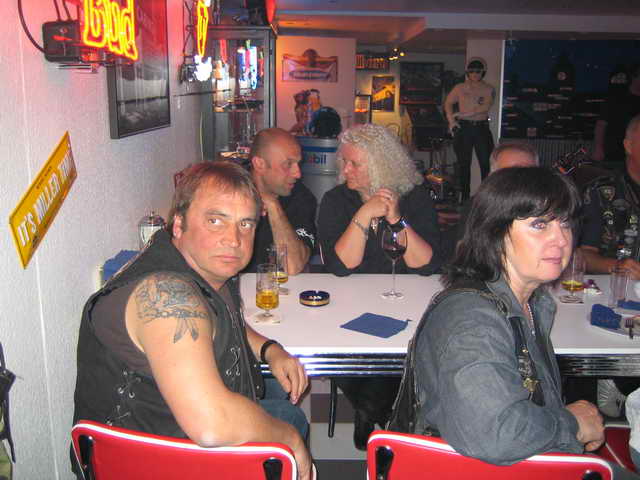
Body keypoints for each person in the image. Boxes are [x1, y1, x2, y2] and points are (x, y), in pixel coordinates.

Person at [391, 167, 637, 478]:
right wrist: (571, 424)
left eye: (564, 223)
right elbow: (494, 433)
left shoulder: (534, 301)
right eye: (539, 225)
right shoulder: (472, 320)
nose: (561, 239)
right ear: (494, 233)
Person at [73, 162, 313, 479]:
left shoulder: (207, 269)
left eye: (245, 224)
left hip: (181, 436)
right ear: (178, 224)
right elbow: (211, 423)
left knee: (288, 413)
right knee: (289, 425)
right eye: (215, 220)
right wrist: (292, 443)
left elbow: (224, 320)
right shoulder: (167, 293)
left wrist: (269, 349)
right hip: (153, 462)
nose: (233, 239)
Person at [317, 123, 442, 450]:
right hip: (349, 305)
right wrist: (364, 212)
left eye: (354, 163)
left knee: (409, 349)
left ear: (380, 164)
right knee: (353, 352)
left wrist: (396, 219)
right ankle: (384, 416)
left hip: (404, 302)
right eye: (344, 161)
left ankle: (370, 412)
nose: (345, 170)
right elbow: (341, 267)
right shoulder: (335, 200)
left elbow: (426, 265)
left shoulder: (415, 198)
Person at [580, 113, 640, 418]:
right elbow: (582, 256)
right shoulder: (603, 191)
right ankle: (616, 377)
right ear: (628, 145)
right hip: (611, 293)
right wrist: (619, 266)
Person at [244, 128, 317, 274]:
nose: (298, 173)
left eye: (298, 163)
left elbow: (293, 265)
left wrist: (272, 204)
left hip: (278, 285)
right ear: (259, 164)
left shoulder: (301, 197)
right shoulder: (230, 192)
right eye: (288, 164)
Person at [444, 57, 496, 201]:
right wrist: (451, 120)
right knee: (463, 164)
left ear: (483, 72)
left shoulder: (489, 89)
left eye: (478, 71)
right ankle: (464, 198)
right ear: (468, 72)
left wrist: (462, 114)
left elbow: (484, 107)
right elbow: (448, 102)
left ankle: (486, 198)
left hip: (481, 128)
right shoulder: (460, 87)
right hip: (464, 128)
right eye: (472, 71)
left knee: (485, 163)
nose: (475, 74)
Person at [593, 64, 640, 164]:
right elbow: (601, 124)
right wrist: (598, 148)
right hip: (615, 154)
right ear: (634, 77)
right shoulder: (616, 97)